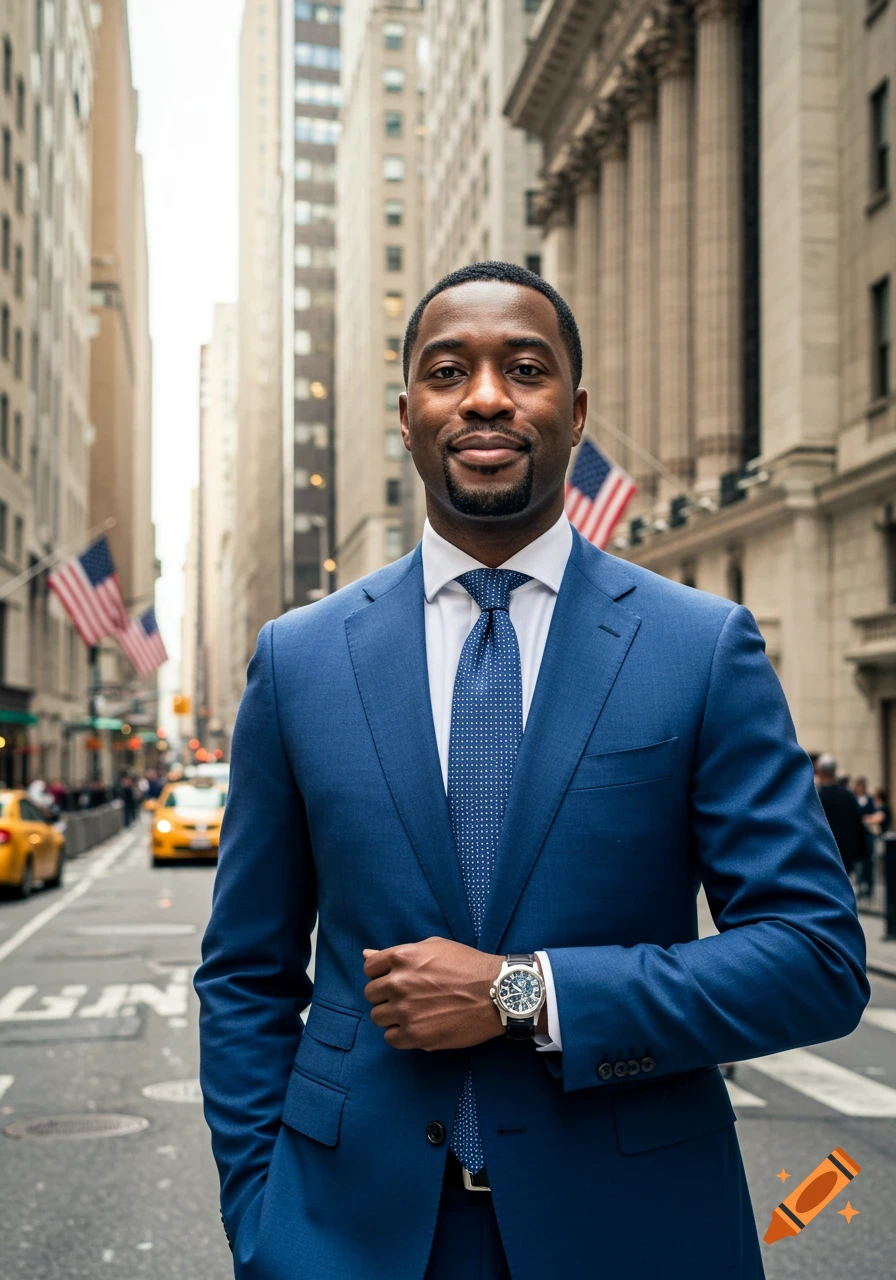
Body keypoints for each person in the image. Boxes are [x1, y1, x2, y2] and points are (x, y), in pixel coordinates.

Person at [195, 262, 868, 1280]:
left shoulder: (697, 646)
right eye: (446, 370)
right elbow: (246, 973)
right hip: (349, 1238)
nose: (484, 394)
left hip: (634, 1232)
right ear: (408, 414)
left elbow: (813, 959)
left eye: (523, 367)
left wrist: (525, 992)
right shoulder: (299, 659)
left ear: (575, 410)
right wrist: (262, 1217)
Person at [816, 755, 867, 877]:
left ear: (821, 772)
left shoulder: (818, 797)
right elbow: (858, 823)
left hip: (826, 852)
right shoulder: (848, 796)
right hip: (847, 851)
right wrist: (860, 851)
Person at [853, 776, 878, 894]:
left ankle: (869, 886)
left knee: (869, 862)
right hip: (857, 835)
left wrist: (869, 819)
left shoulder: (869, 799)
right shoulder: (853, 799)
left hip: (867, 834)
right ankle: (859, 886)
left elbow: (873, 813)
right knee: (858, 864)